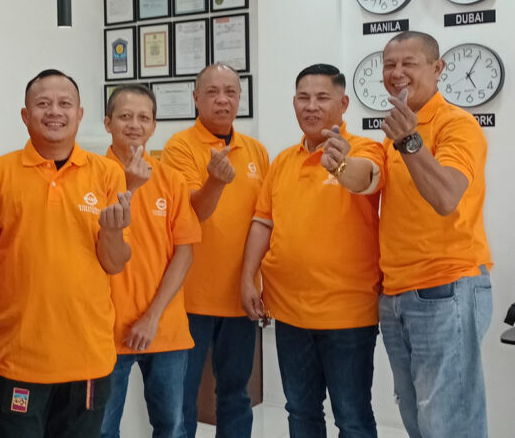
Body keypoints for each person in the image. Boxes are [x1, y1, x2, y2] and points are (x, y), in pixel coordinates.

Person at [0, 69, 132, 438]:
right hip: (16, 357)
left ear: (80, 113)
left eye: (64, 104)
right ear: (25, 115)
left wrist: (111, 232)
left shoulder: (107, 174)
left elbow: (114, 263)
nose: (54, 111)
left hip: (88, 357)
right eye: (43, 104)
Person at [242, 64, 383, 438]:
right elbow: (262, 223)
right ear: (293, 103)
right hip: (288, 313)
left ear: (343, 104)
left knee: (352, 417)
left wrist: (341, 164)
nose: (311, 106)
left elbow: (365, 177)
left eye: (322, 97)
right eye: (303, 98)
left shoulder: (364, 149)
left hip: (347, 315)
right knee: (300, 411)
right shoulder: (283, 161)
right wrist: (247, 278)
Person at [378, 31, 493, 438]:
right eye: (389, 65)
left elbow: (445, 197)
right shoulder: (395, 131)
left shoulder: (457, 124)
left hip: (446, 286)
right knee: (417, 416)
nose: (396, 73)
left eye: (408, 63)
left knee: (448, 421)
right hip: (396, 291)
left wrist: (409, 142)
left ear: (438, 68)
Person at [161, 63, 270, 438]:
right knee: (181, 399)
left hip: (241, 297)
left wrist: (259, 282)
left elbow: (265, 221)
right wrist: (215, 182)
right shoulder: (179, 147)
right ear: (196, 98)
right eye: (212, 92)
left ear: (240, 98)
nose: (222, 100)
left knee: (236, 395)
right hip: (189, 299)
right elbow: (193, 212)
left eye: (230, 92)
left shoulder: (256, 151)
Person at [99, 85, 201, 438]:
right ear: (108, 123)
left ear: (154, 126)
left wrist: (152, 317)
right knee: (101, 430)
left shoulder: (171, 180)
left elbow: (184, 252)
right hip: (104, 331)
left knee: (172, 428)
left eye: (144, 117)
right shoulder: (91, 175)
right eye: (125, 116)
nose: (134, 125)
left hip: (164, 328)